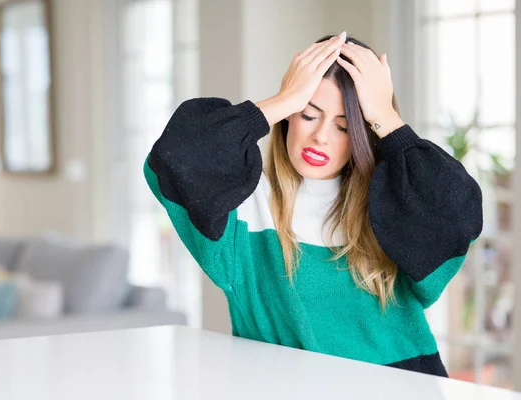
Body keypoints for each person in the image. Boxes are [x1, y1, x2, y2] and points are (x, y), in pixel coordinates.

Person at [143, 31, 483, 377]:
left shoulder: (393, 204)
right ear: (289, 116)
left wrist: (385, 116)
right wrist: (281, 100)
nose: (321, 135)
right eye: (308, 114)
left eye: (344, 127)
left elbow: (460, 214)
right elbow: (172, 158)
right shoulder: (244, 206)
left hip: (407, 386)